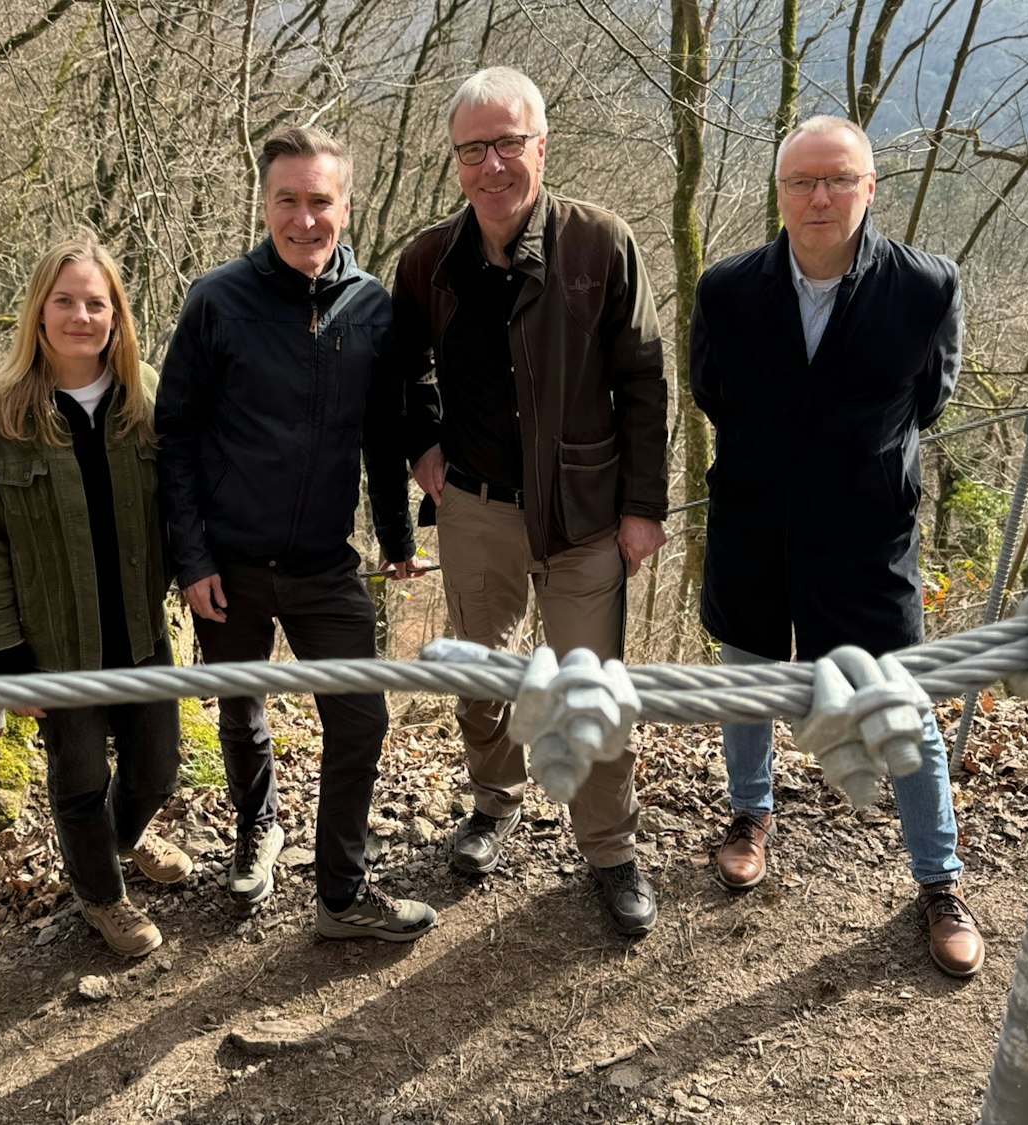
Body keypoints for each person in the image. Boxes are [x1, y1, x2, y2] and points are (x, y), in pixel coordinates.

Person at [690, 115, 980, 978]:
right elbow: (713, 390)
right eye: (801, 182)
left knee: (905, 705)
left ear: (869, 188)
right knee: (747, 675)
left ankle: (940, 876)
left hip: (867, 540)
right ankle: (750, 813)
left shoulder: (926, 287)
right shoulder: (727, 289)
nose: (819, 197)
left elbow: (928, 399)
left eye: (838, 179)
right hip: (752, 525)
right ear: (778, 193)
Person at [390, 67, 669, 935]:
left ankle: (610, 849)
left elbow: (645, 380)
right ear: (456, 160)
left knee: (592, 691)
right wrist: (425, 448)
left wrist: (642, 505)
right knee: (482, 678)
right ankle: (494, 801)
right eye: (474, 149)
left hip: (585, 511)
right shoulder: (430, 260)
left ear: (543, 145)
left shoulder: (601, 244)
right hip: (476, 512)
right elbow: (404, 370)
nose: (493, 164)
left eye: (510, 142)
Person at [155, 125, 436, 942]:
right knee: (239, 709)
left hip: (323, 562)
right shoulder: (218, 300)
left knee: (361, 717)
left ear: (345, 205)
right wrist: (192, 559)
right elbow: (174, 438)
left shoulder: (371, 307)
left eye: (321, 201)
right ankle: (258, 828)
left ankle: (341, 891)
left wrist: (395, 537)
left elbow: (384, 437)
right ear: (266, 203)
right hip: (230, 563)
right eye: (288, 201)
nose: (304, 219)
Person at [0, 232, 193, 959]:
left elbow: (184, 497)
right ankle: (101, 895)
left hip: (139, 626)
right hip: (54, 641)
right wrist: (8, 659)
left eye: (97, 302)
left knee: (157, 765)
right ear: (38, 311)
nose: (81, 316)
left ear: (117, 315)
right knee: (80, 774)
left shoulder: (145, 394)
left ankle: (115, 844)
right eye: (65, 301)